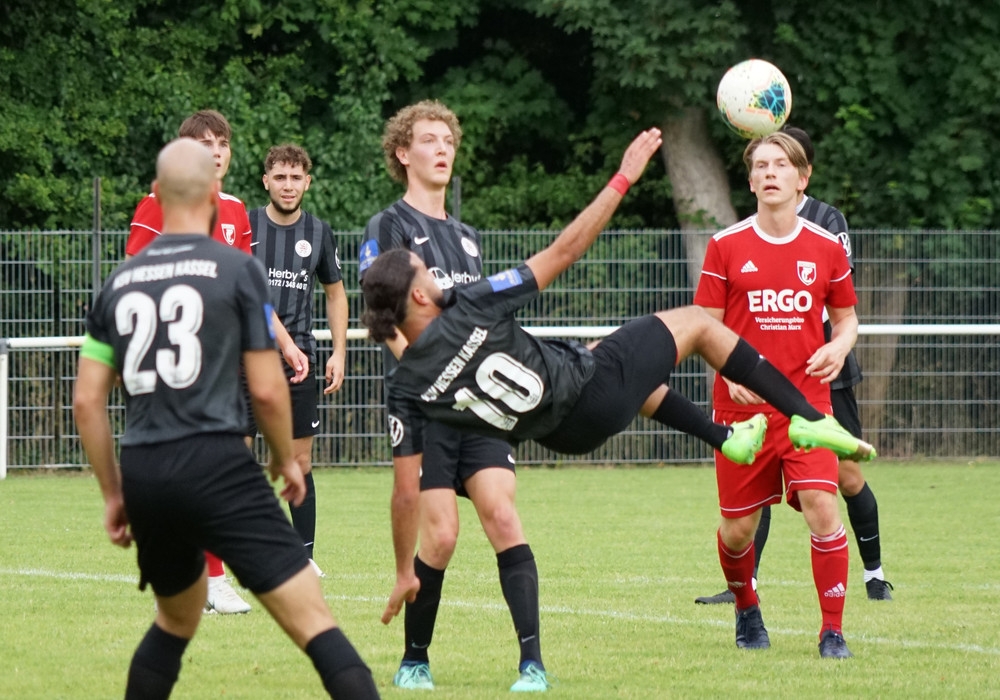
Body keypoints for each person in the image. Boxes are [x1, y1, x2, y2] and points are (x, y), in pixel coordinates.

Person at [360, 126, 876, 662]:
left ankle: (724, 438)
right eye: (424, 272)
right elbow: (565, 249)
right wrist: (624, 177)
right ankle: (803, 415)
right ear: (420, 294)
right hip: (589, 390)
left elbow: (404, 494)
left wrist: (401, 570)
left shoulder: (408, 386)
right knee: (698, 324)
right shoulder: (468, 303)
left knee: (619, 366)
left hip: (564, 433)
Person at [73, 138, 379, 699]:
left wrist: (115, 493)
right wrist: (284, 459)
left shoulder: (120, 282)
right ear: (216, 194)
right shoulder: (237, 269)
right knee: (316, 624)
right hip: (217, 462)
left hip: (145, 469)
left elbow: (87, 402)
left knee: (174, 623)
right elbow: (265, 388)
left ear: (157, 194)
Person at [358, 100, 552, 692]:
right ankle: (414, 659)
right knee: (440, 536)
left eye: (448, 140)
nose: (442, 149)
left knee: (502, 514)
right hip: (428, 408)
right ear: (402, 153)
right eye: (428, 140)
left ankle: (533, 665)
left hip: (478, 406)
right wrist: (429, 375)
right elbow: (381, 316)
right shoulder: (388, 227)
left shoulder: (467, 238)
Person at [694, 126, 893, 606]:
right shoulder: (725, 244)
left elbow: (846, 319)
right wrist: (727, 371)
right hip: (746, 406)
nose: (770, 173)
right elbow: (704, 326)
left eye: (781, 165)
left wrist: (839, 346)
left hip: (810, 397)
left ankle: (856, 599)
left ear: (803, 178)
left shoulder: (827, 237)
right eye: (761, 166)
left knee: (832, 493)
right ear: (750, 181)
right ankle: (746, 599)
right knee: (740, 525)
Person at [126, 110, 307, 615]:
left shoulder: (235, 210)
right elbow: (133, 273)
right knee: (199, 467)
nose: (216, 151)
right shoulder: (158, 203)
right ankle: (204, 574)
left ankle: (208, 574)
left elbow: (250, 290)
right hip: (176, 362)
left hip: (223, 360)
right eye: (204, 143)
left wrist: (284, 343)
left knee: (219, 464)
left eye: (222, 143)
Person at [248, 143, 349, 578]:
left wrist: (339, 351)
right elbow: (245, 294)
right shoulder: (246, 226)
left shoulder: (319, 232)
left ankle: (303, 557)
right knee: (238, 460)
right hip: (246, 358)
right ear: (266, 181)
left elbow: (336, 293)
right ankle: (232, 558)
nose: (288, 185)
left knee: (300, 463)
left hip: (299, 364)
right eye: (280, 177)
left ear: (307, 182)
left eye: (295, 177)